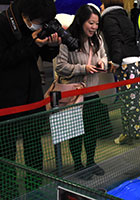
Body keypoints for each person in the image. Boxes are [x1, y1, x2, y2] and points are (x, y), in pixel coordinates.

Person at [0, 0, 61, 198]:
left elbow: (44, 55)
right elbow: (4, 59)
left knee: (34, 148)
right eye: (37, 22)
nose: (38, 25)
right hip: (6, 100)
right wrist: (31, 43)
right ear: (25, 16)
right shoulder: (2, 24)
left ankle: (35, 189)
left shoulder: (33, 22)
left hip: (33, 95)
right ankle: (8, 192)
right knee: (6, 152)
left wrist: (51, 46)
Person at [56, 4, 108, 180]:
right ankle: (78, 164)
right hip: (74, 94)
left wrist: (102, 64)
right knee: (76, 131)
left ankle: (91, 161)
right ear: (81, 21)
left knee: (91, 130)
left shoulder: (97, 39)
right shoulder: (67, 39)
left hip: (92, 92)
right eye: (90, 23)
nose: (94, 27)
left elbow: (104, 57)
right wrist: (83, 68)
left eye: (96, 24)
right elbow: (60, 66)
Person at [101, 0, 140, 145]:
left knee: (128, 101)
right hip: (135, 61)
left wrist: (115, 61)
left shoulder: (109, 19)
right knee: (136, 99)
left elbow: (115, 41)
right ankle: (139, 130)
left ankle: (130, 133)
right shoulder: (124, 16)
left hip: (124, 63)